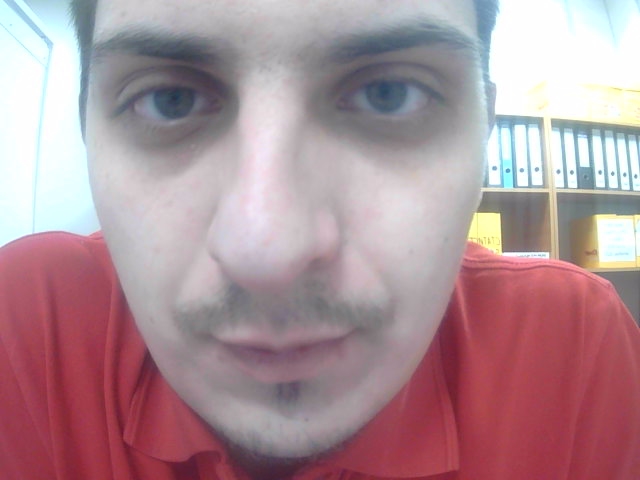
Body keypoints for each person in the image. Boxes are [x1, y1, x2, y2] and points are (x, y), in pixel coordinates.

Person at [1, 0, 639, 478]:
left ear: (485, 133)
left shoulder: (574, 346)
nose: (268, 252)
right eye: (170, 100)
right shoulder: (28, 325)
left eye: (389, 94)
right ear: (87, 132)